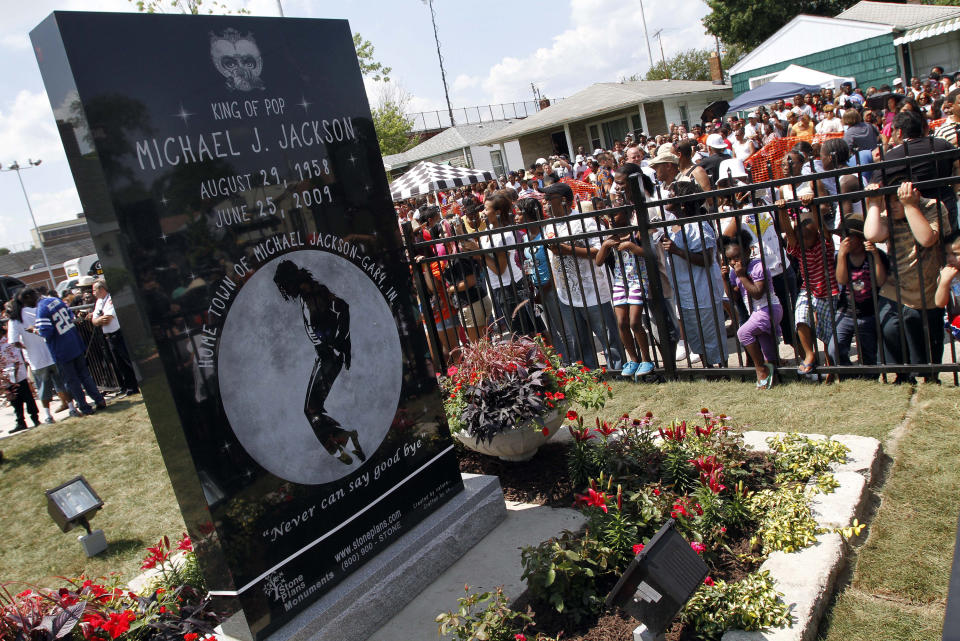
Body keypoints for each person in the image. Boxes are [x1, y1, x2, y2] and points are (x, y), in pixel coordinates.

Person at [273, 259, 365, 465]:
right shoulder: (312, 291)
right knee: (313, 408)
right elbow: (341, 308)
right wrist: (343, 344)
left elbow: (342, 309)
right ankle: (344, 441)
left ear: (289, 281)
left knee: (311, 409)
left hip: (328, 356)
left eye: (284, 286)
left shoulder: (312, 294)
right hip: (327, 354)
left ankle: (339, 445)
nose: (285, 292)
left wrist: (339, 342)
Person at [865, 181, 949, 382]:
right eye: (889, 201)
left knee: (927, 340)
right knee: (891, 329)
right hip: (896, 288)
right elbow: (872, 234)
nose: (893, 205)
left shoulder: (931, 207)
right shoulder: (888, 215)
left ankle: (930, 377)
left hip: (926, 288)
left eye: (897, 200)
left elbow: (927, 238)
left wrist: (910, 205)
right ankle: (902, 376)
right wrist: (875, 204)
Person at [542, 182, 623, 370]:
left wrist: (567, 250)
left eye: (548, 200)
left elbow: (601, 249)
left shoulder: (585, 221)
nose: (545, 204)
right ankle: (590, 372)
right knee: (580, 339)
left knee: (607, 335)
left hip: (591, 290)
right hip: (566, 294)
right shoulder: (549, 225)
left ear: (563, 200)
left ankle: (617, 369)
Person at [659, 179, 727, 367]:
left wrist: (677, 251)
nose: (667, 198)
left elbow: (706, 258)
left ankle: (722, 369)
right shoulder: (672, 223)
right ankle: (707, 368)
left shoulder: (698, 225)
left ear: (682, 202)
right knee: (695, 335)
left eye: (671, 195)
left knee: (711, 334)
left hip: (702, 291)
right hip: (684, 292)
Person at [775, 194, 839, 377]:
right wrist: (782, 211)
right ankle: (809, 354)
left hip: (829, 291)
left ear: (816, 236)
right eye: (800, 238)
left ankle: (830, 364)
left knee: (827, 331)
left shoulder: (824, 245)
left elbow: (823, 229)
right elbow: (788, 232)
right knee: (801, 319)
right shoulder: (799, 249)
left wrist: (813, 207)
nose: (803, 242)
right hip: (808, 289)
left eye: (808, 237)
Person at [595, 203, 654, 378]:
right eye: (609, 216)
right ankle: (633, 359)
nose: (612, 219)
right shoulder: (611, 236)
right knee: (621, 322)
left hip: (638, 280)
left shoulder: (636, 233)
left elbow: (650, 254)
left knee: (635, 322)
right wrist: (605, 246)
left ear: (628, 215)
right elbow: (598, 262)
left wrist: (631, 246)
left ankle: (646, 359)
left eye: (616, 214)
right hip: (621, 281)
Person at [721, 230, 781, 388]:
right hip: (757, 312)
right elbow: (734, 297)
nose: (734, 262)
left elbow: (757, 293)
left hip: (769, 309)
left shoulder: (757, 266)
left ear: (748, 251)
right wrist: (726, 280)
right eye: (730, 260)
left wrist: (741, 276)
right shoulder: (735, 272)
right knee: (767, 347)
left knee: (743, 332)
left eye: (737, 257)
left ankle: (760, 370)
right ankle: (773, 374)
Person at [32, 289, 106, 415]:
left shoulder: (41, 309)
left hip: (61, 349)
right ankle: (99, 400)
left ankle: (84, 407)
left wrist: (34, 330)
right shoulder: (56, 300)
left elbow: (46, 332)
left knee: (72, 380)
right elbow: (71, 316)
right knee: (85, 375)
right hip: (74, 342)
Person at [6, 293, 77, 422]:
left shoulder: (14, 320)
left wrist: (25, 347)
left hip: (36, 359)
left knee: (43, 388)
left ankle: (48, 415)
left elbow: (13, 341)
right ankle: (72, 408)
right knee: (61, 383)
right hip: (52, 352)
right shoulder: (37, 310)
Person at [830, 218, 888, 372]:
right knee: (834, 348)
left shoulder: (876, 255)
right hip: (846, 312)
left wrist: (875, 256)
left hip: (869, 313)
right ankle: (848, 372)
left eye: (848, 236)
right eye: (841, 236)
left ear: (861, 238)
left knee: (869, 354)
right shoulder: (842, 256)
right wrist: (841, 255)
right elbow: (841, 280)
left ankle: (869, 376)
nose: (844, 240)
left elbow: (880, 281)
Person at [90, 279, 139, 396]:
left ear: (102, 289)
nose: (93, 293)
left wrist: (97, 321)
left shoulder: (111, 299)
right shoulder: (99, 302)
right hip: (109, 337)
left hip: (119, 334)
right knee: (120, 363)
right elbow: (94, 320)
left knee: (129, 360)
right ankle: (131, 387)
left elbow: (107, 319)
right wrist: (96, 320)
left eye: (94, 290)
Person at [0, 320, 40, 432]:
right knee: (14, 400)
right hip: (6, 377)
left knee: (27, 397)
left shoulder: (8, 342)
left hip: (17, 374)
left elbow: (16, 359)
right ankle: (20, 422)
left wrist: (15, 376)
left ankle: (35, 419)